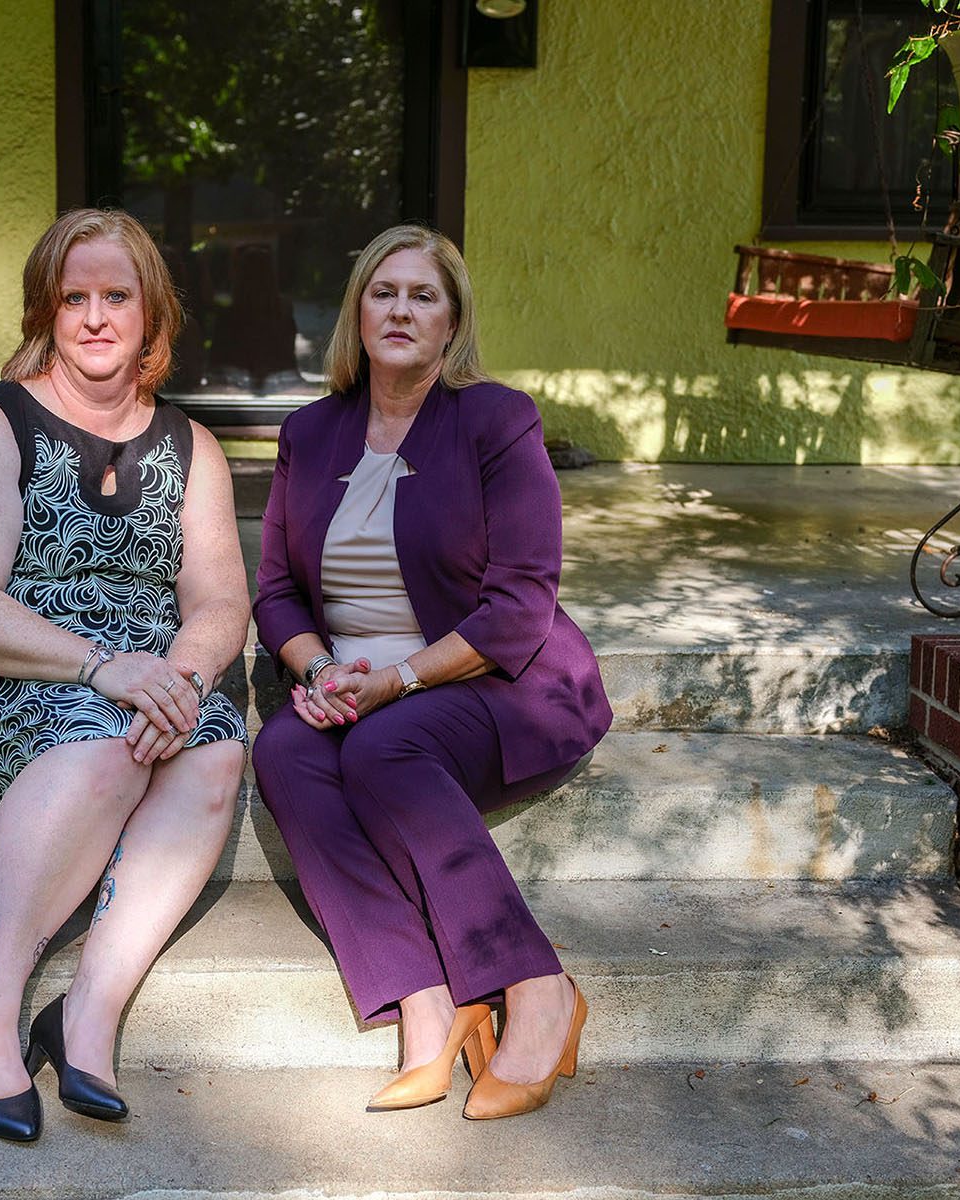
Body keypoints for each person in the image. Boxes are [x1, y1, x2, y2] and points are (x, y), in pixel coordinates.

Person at [0, 209, 249, 1142]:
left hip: (143, 676)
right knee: (105, 753)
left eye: (117, 296)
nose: (96, 317)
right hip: (2, 670)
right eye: (74, 297)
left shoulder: (192, 446)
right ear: (45, 313)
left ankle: (88, 1011)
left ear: (151, 315)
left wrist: (180, 676)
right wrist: (104, 669)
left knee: (214, 752)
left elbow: (220, 602)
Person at [250, 224, 611, 1121]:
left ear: (451, 324)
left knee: (385, 746)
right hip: (361, 684)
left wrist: (399, 681)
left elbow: (520, 603)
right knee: (286, 755)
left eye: (423, 295)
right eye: (384, 292)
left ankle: (535, 986)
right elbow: (275, 592)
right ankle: (425, 998)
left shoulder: (495, 419)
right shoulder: (310, 432)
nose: (401, 309)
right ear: (357, 313)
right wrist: (321, 669)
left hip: (495, 682)